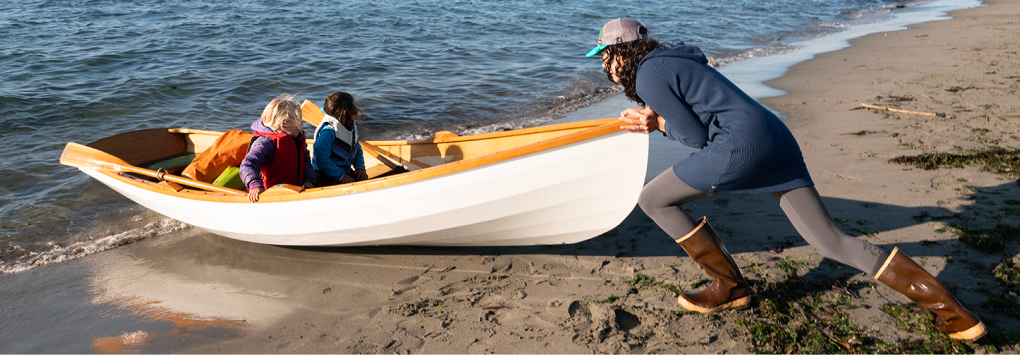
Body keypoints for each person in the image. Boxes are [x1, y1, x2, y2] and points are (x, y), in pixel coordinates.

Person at [586, 17, 985, 341]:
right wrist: (662, 119)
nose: (604, 66)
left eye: (605, 55)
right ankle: (955, 314)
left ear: (621, 51)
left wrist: (656, 125)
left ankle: (729, 287)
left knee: (653, 199)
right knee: (831, 241)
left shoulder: (649, 74)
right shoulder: (674, 58)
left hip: (740, 147)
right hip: (775, 138)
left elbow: (694, 137)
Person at [240, 94, 316, 203]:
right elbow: (247, 165)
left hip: (294, 190)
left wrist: (309, 180)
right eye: (298, 121)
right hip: (270, 194)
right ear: (284, 125)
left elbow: (305, 162)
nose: (302, 124)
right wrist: (255, 185)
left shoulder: (296, 140)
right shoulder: (265, 143)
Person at [312, 91, 367, 185]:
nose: (356, 109)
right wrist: (340, 176)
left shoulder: (350, 128)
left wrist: (359, 167)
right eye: (353, 106)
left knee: (363, 178)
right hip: (324, 176)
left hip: (343, 172)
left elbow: (356, 149)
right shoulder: (328, 132)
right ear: (346, 112)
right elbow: (322, 159)